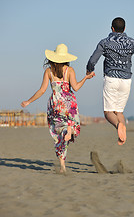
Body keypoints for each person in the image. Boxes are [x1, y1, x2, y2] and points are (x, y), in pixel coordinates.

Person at [21, 43, 95, 173]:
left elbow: (42, 90)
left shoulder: (49, 71)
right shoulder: (69, 70)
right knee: (70, 128)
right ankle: (69, 130)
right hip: (68, 104)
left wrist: (28, 101)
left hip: (55, 104)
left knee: (58, 136)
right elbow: (76, 87)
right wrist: (86, 78)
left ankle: (62, 166)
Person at [86, 17, 134, 145]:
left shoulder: (105, 42)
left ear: (112, 28)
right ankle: (122, 130)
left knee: (108, 112)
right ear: (124, 28)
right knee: (119, 111)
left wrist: (89, 70)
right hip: (126, 80)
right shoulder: (132, 42)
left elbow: (93, 60)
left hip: (111, 79)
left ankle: (118, 126)